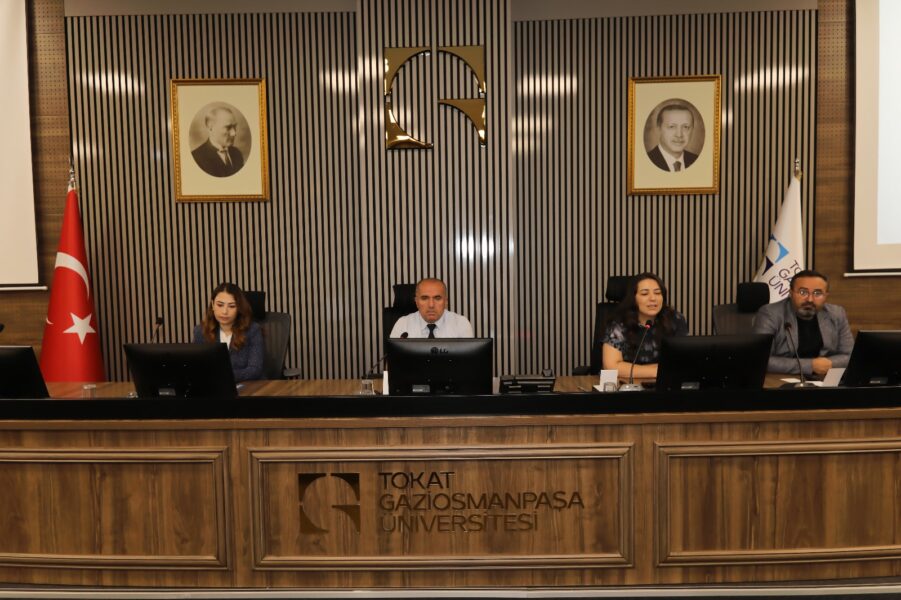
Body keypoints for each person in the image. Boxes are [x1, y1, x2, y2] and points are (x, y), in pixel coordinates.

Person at [753, 269, 853, 378]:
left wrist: (830, 363)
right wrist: (810, 366)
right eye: (803, 292)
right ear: (790, 293)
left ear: (826, 295)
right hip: (782, 378)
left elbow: (850, 355)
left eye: (817, 293)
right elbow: (761, 359)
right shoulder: (771, 314)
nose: (810, 299)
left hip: (825, 378)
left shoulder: (836, 313)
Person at [601, 272, 689, 379]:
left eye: (658, 293)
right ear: (633, 298)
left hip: (666, 384)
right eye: (644, 294)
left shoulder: (675, 319)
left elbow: (682, 362)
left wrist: (633, 369)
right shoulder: (619, 323)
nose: (653, 298)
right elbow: (611, 367)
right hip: (626, 385)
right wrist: (658, 371)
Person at [193, 282, 264, 381]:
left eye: (231, 306)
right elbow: (196, 367)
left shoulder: (253, 330)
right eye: (220, 305)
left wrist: (221, 375)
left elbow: (255, 370)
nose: (224, 311)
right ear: (212, 305)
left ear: (239, 308)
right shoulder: (200, 332)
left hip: (248, 386)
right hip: (214, 387)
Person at [389, 278, 473, 338]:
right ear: (416, 302)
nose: (431, 305)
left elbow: (468, 358)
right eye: (424, 298)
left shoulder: (461, 324)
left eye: (437, 298)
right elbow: (393, 358)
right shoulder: (403, 324)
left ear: (446, 301)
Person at [191, 107, 245, 177]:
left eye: (234, 127)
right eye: (228, 127)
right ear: (211, 128)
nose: (234, 133)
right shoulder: (196, 158)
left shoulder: (237, 154)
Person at [647, 103, 698, 173]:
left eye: (685, 127)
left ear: (692, 130)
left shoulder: (697, 160)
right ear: (659, 129)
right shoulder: (646, 161)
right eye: (672, 127)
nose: (679, 135)